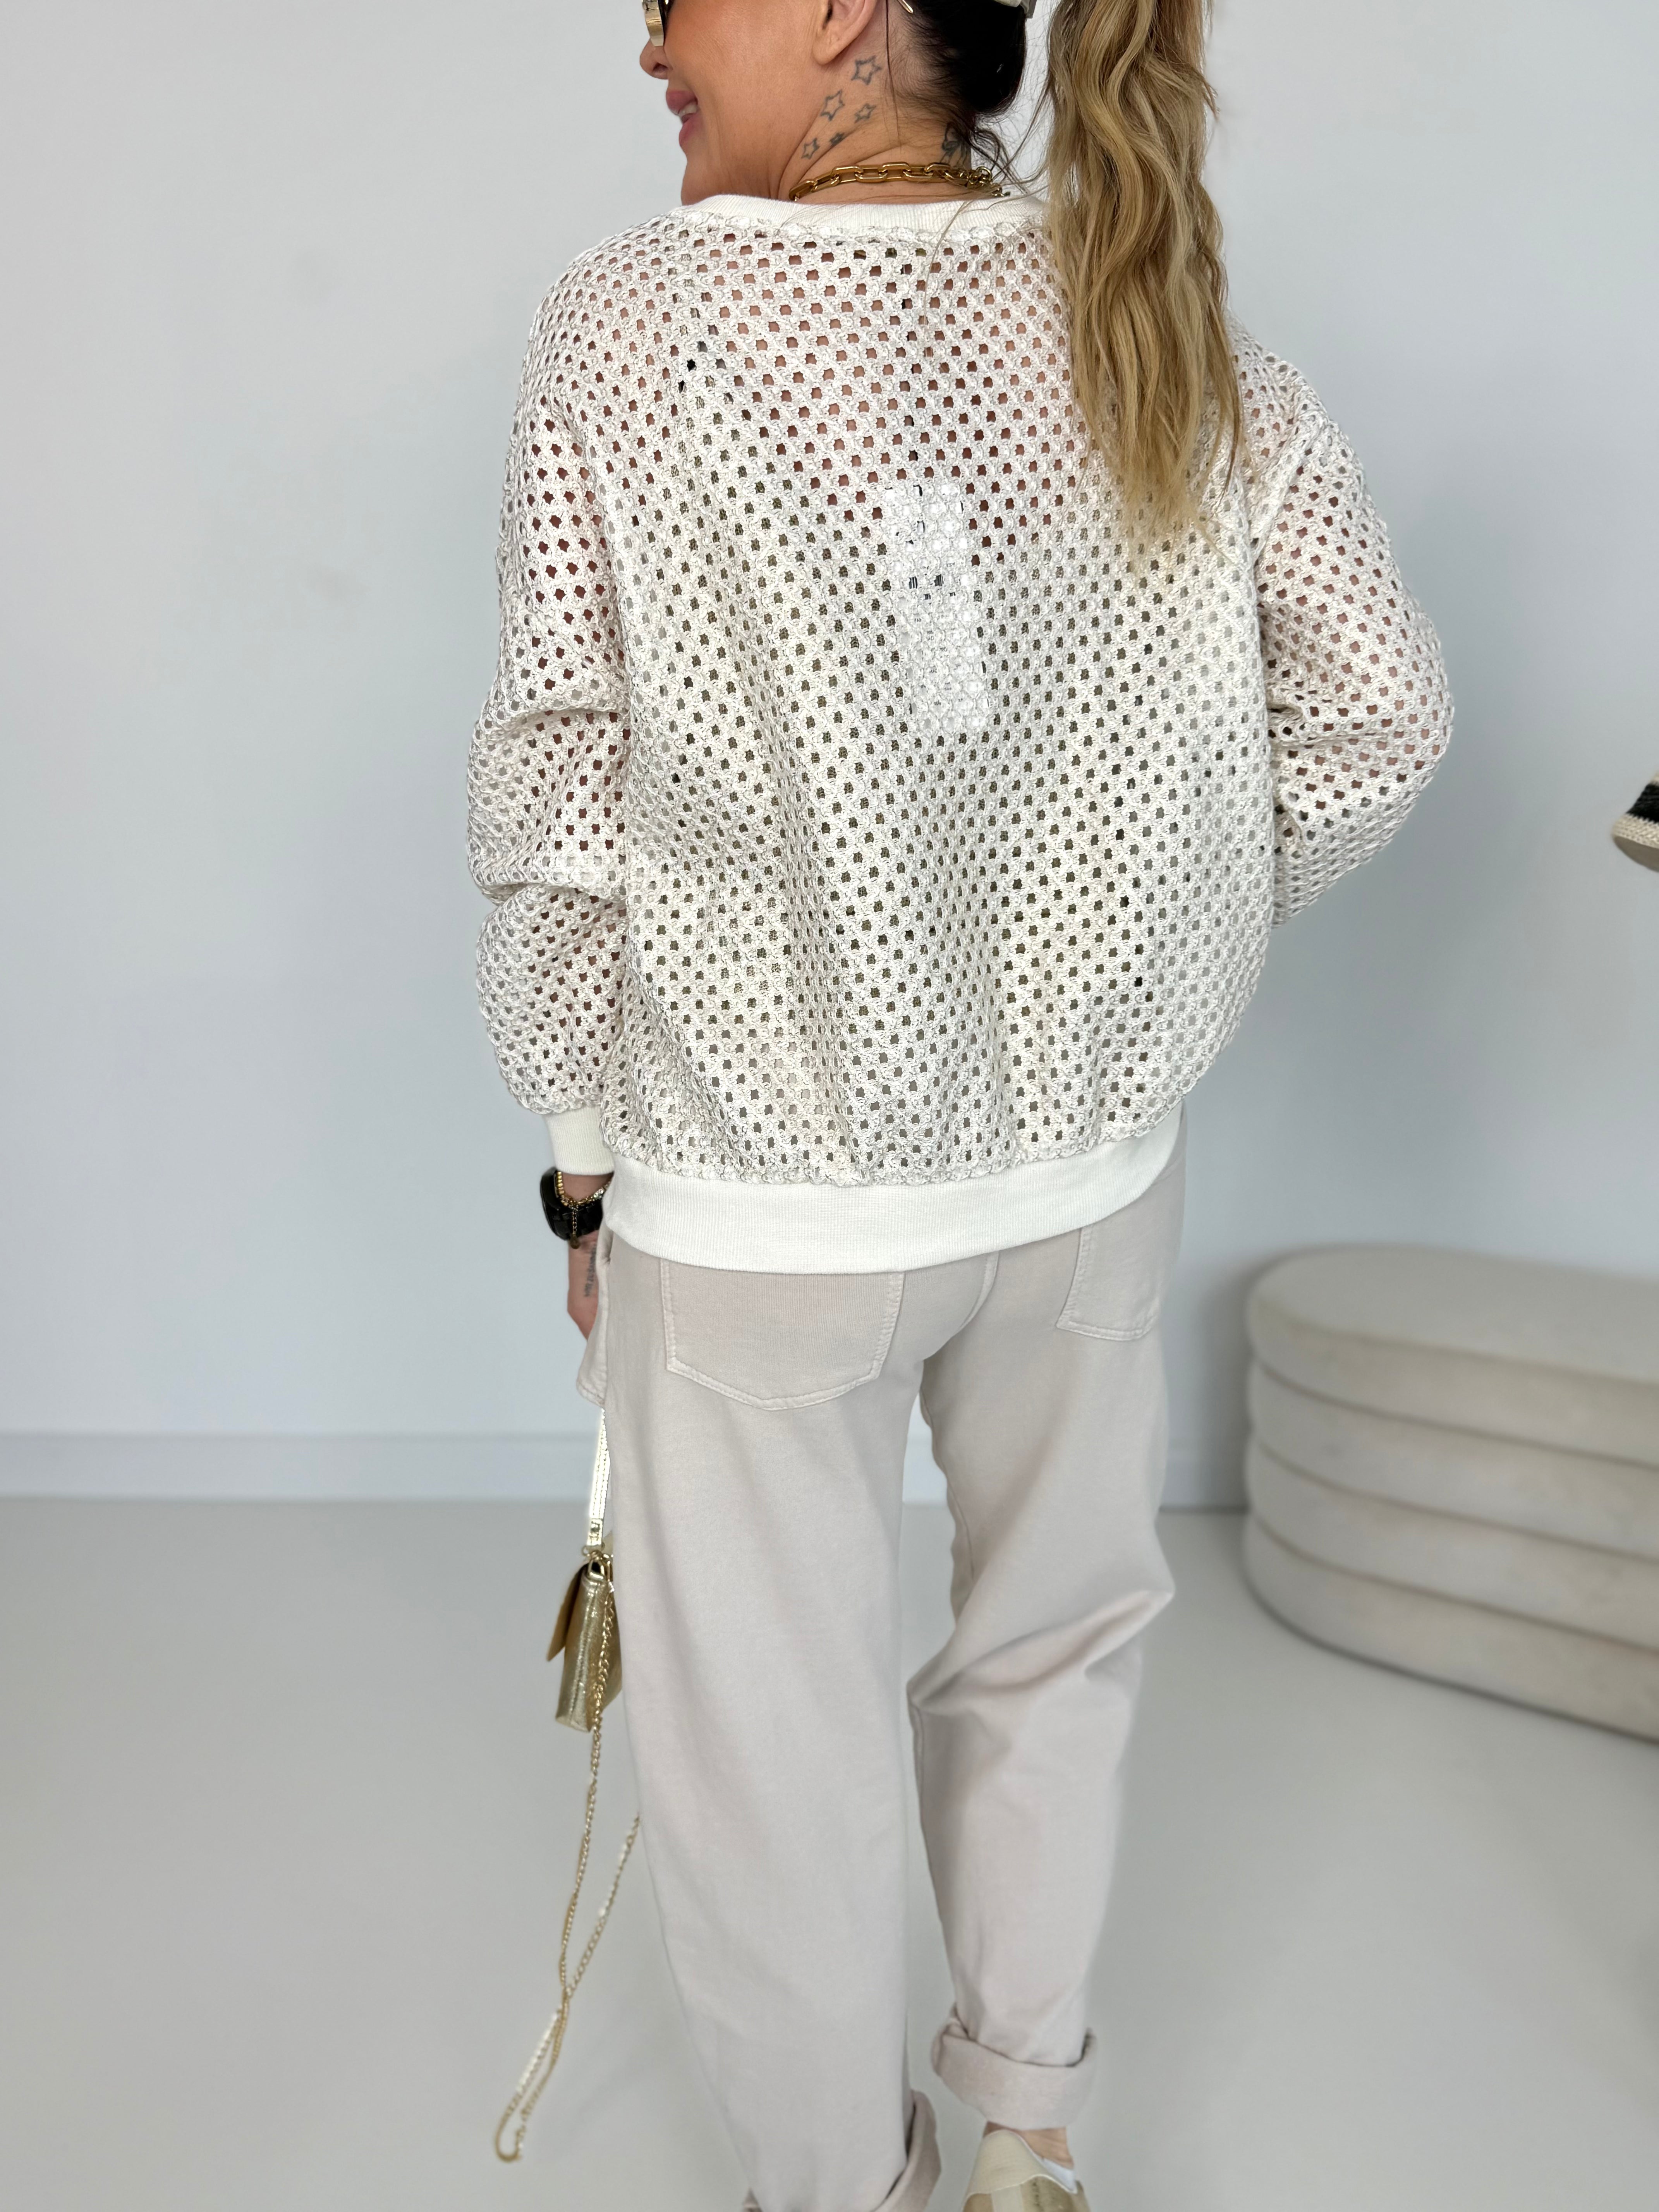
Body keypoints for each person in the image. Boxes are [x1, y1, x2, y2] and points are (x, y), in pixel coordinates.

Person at [465, 0, 1451, 2205]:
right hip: (1083, 1192)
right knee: (1054, 1650)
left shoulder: (627, 324)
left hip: (755, 1209)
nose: (645, 41)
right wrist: (1154, 949)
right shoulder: (1150, 305)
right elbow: (1380, 711)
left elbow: (561, 787)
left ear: (836, 11)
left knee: (772, 1755)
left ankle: (845, 2189)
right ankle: (1026, 2136)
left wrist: (579, 1166)